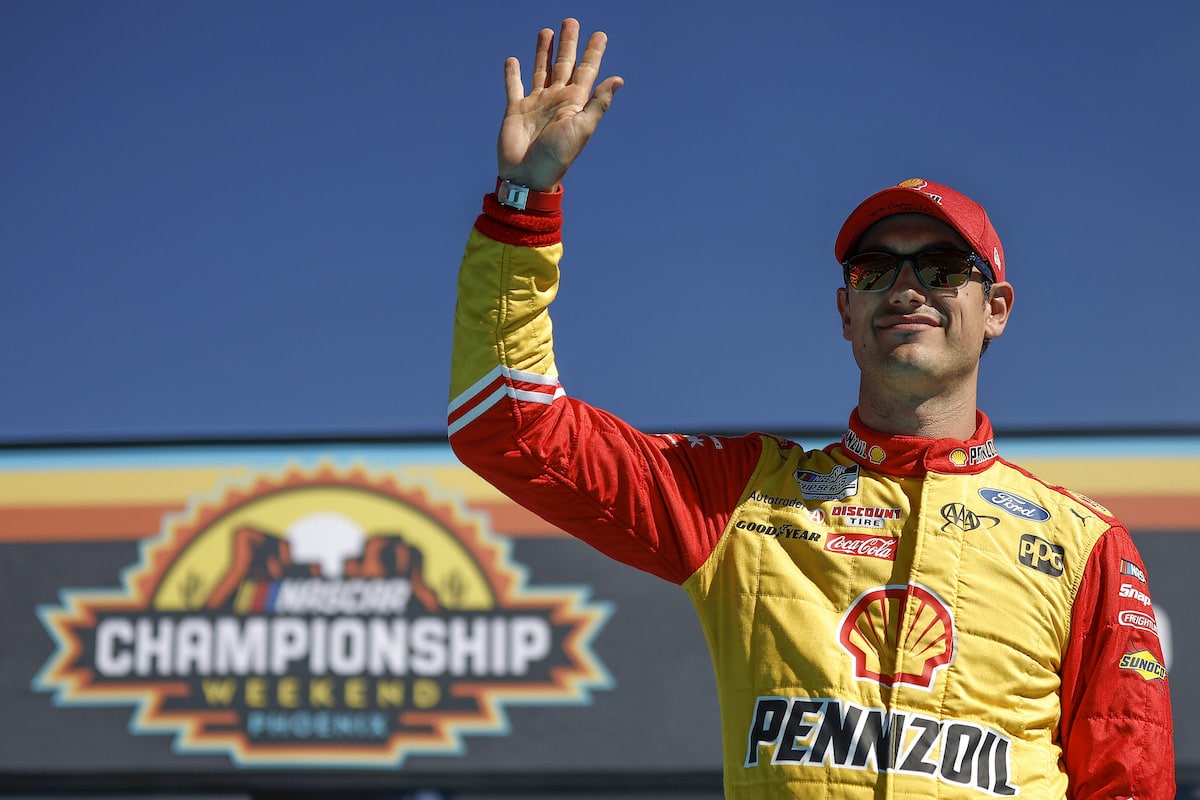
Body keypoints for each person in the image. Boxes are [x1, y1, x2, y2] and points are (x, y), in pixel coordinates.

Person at [447, 18, 1175, 799]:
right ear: (844, 310)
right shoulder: (742, 492)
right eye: (874, 268)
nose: (905, 287)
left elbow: (1127, 780)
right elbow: (508, 425)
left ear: (995, 307)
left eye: (939, 265)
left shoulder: (1083, 542)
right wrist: (525, 201)